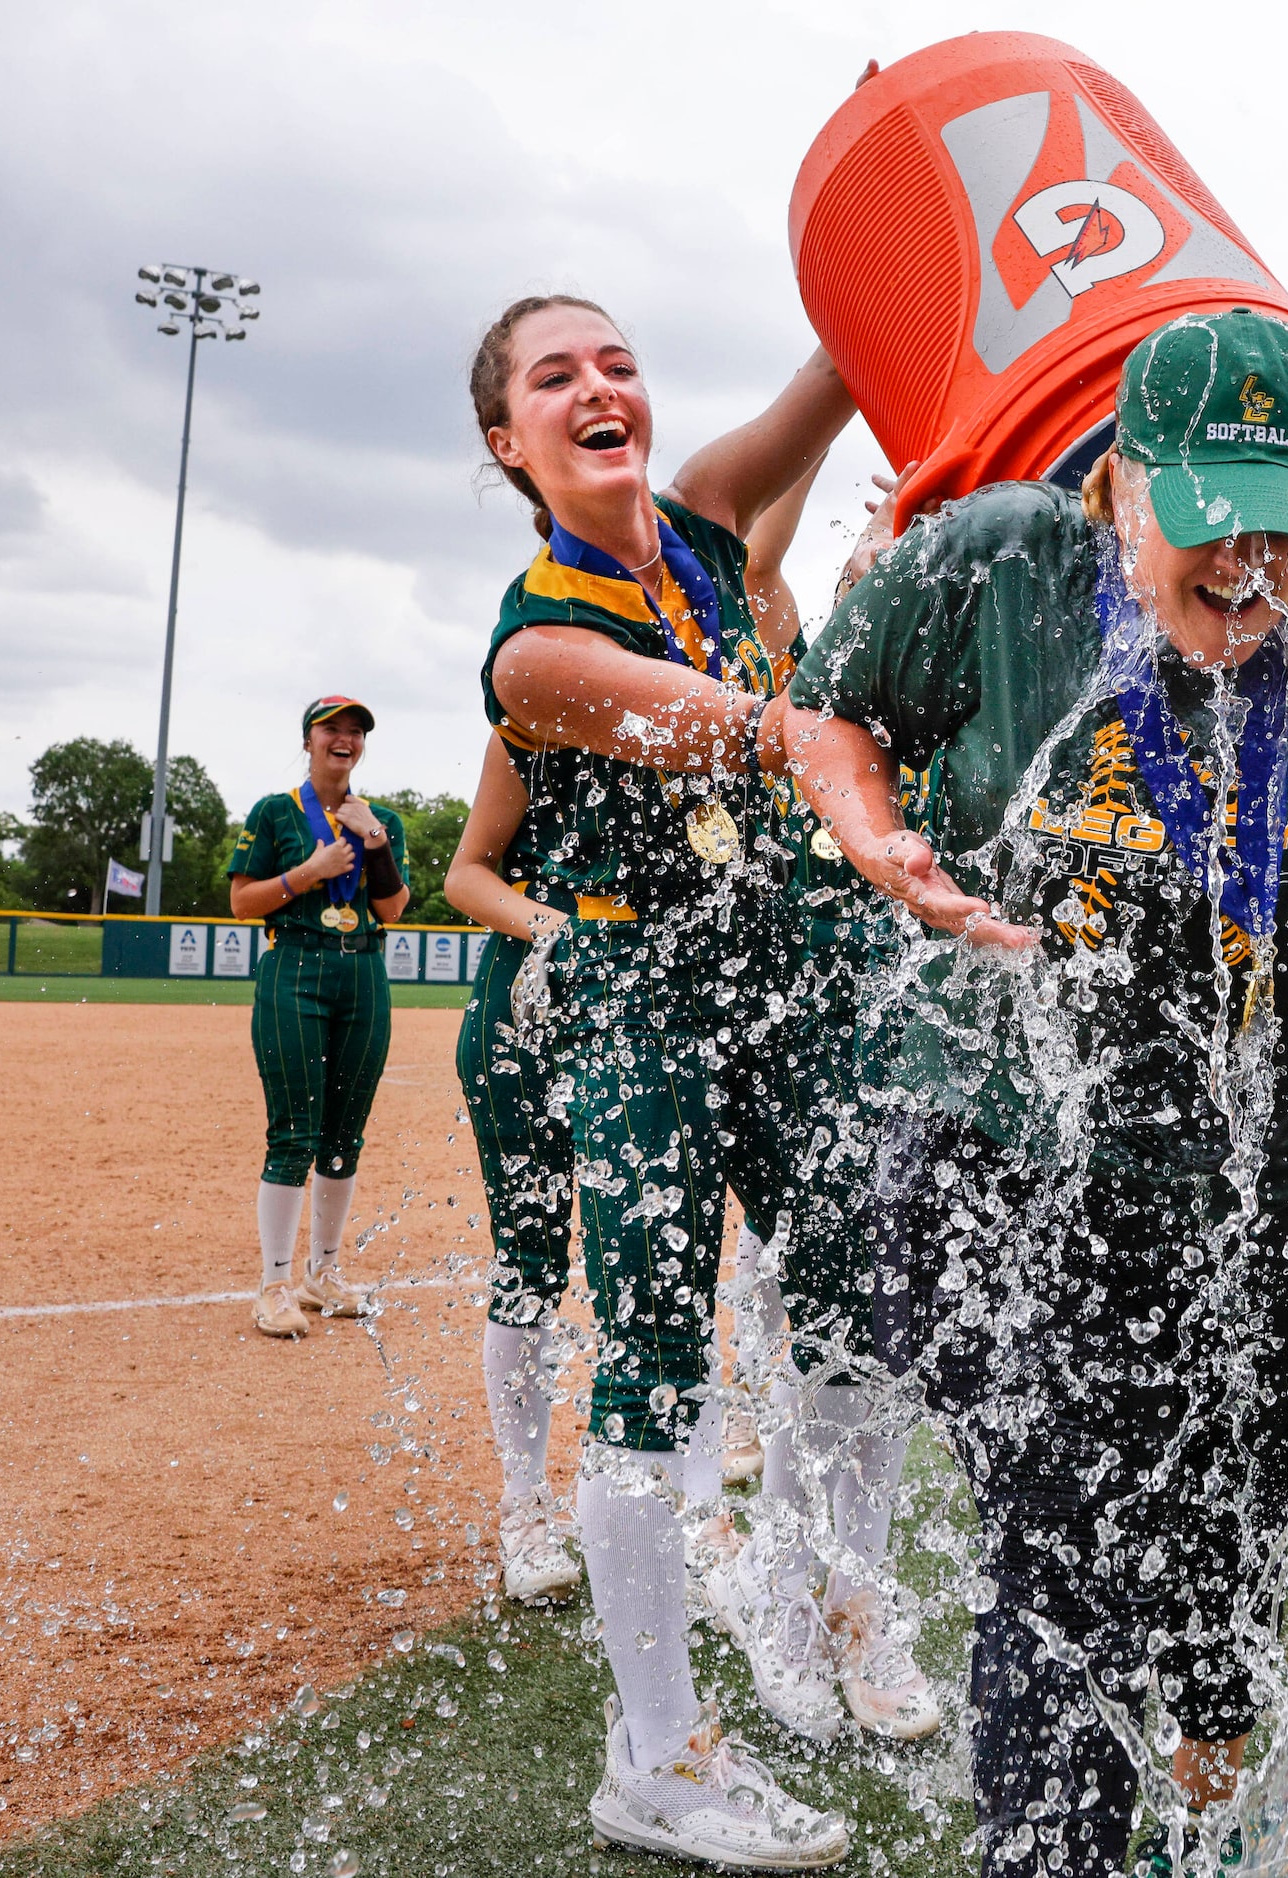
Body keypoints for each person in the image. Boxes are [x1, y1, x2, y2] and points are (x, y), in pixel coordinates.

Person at [786, 307, 1288, 1878]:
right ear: (1120, 485)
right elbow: (824, 714)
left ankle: (1207, 1786)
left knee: (1220, 1559)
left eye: (1282, 535)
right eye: (1207, 528)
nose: (1249, 570)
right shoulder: (1002, 555)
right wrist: (872, 828)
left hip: (1267, 1164)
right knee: (1071, 1552)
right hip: (985, 1129)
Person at [472, 292, 856, 1871]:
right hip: (640, 1003)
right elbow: (743, 731)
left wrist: (896, 211)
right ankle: (657, 1755)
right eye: (555, 375)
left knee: (850, 1306)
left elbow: (837, 376)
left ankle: (834, 1616)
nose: (597, 385)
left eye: (616, 359)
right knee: (650, 1373)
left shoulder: (700, 519)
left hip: (770, 982)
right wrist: (839, 747)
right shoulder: (537, 646)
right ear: (510, 442)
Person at [700, 473, 945, 1748]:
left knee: (883, 1344)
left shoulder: (959, 729)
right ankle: (791, 1597)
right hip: (798, 1057)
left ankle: (855, 1592)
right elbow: (744, 561)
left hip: (912, 1058)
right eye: (871, 560)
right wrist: (850, 389)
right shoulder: (799, 690)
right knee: (816, 1331)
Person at [442, 729, 585, 1604]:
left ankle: (672, 1507)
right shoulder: (532, 724)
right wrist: (558, 931)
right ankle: (525, 1503)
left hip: (653, 1010)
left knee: (658, 1266)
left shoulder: (702, 708)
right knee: (530, 1262)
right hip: (526, 1010)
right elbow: (467, 872)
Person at [225, 697, 410, 1341]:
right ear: (308, 738)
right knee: (294, 1133)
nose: (346, 738)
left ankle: (321, 1274)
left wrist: (374, 839)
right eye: (333, 728)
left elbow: (393, 908)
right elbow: (243, 903)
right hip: (295, 968)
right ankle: (275, 1283)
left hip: (363, 972)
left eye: (356, 731)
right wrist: (309, 872)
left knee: (344, 1134)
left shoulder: (379, 818)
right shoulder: (275, 812)